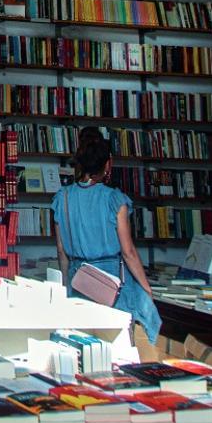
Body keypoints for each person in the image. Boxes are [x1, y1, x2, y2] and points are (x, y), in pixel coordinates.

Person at [51, 126, 161, 344]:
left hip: (78, 279)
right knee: (125, 339)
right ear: (108, 164)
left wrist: (66, 285)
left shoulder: (62, 198)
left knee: (82, 346)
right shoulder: (114, 200)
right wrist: (146, 288)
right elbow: (128, 252)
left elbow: (61, 251)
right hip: (111, 283)